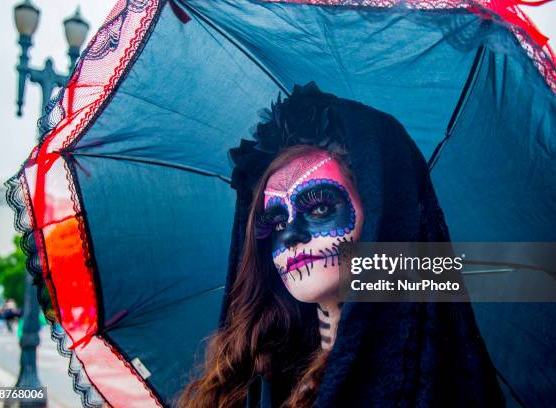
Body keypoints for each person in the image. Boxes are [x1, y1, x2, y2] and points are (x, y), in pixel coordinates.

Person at [178, 83, 504, 407]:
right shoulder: (254, 376)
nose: (290, 236)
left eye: (319, 208)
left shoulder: (438, 385)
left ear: (381, 217)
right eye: (276, 222)